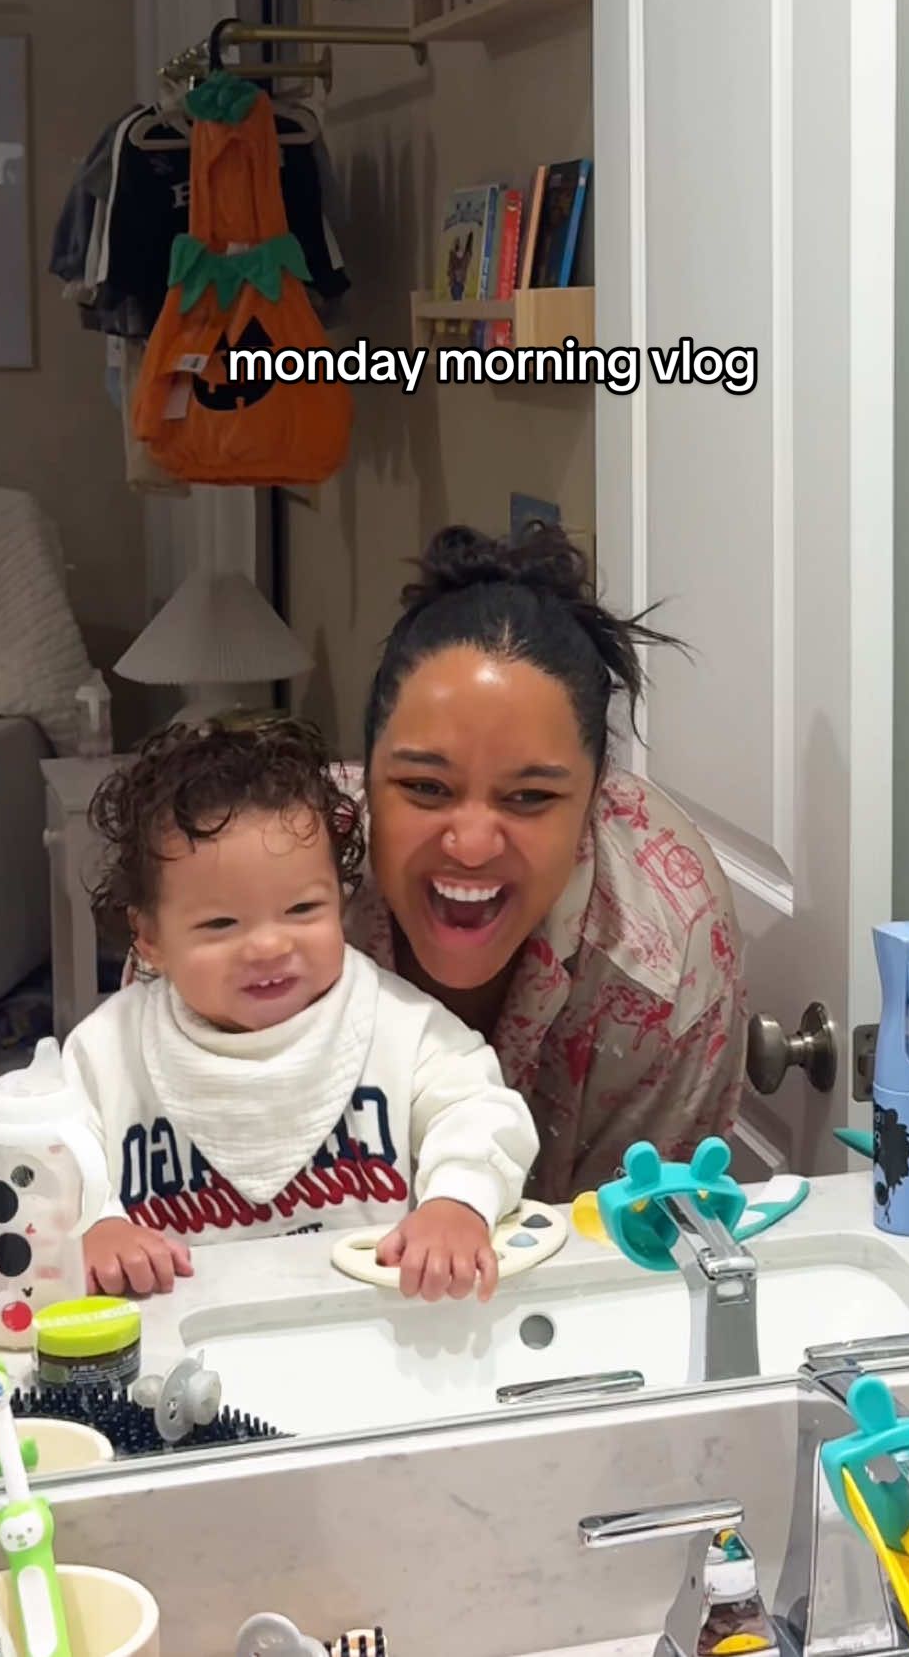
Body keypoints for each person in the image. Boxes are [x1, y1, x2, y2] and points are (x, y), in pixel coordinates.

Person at [343, 523, 747, 1202]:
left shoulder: (671, 956)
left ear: (595, 798)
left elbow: (639, 1243)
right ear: (366, 777)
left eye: (529, 797)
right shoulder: (263, 886)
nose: (472, 845)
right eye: (425, 787)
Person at [69, 718, 538, 1300]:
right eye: (221, 924)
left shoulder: (398, 1027)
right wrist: (91, 1223)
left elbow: (481, 1109)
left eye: (302, 909)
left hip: (371, 1321)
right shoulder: (107, 1050)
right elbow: (37, 1144)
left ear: (340, 898)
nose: (269, 945)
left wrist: (458, 1203)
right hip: (176, 1327)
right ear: (149, 937)